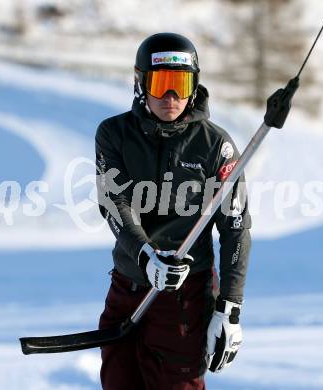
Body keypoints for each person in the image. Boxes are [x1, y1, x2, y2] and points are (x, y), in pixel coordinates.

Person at [95, 32, 251, 390]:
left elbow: (236, 228)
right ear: (140, 82)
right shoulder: (114, 134)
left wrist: (229, 308)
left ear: (194, 85)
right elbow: (114, 203)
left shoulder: (216, 146)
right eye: (161, 83)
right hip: (128, 285)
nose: (171, 97)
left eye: (180, 84)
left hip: (186, 299)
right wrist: (146, 255)